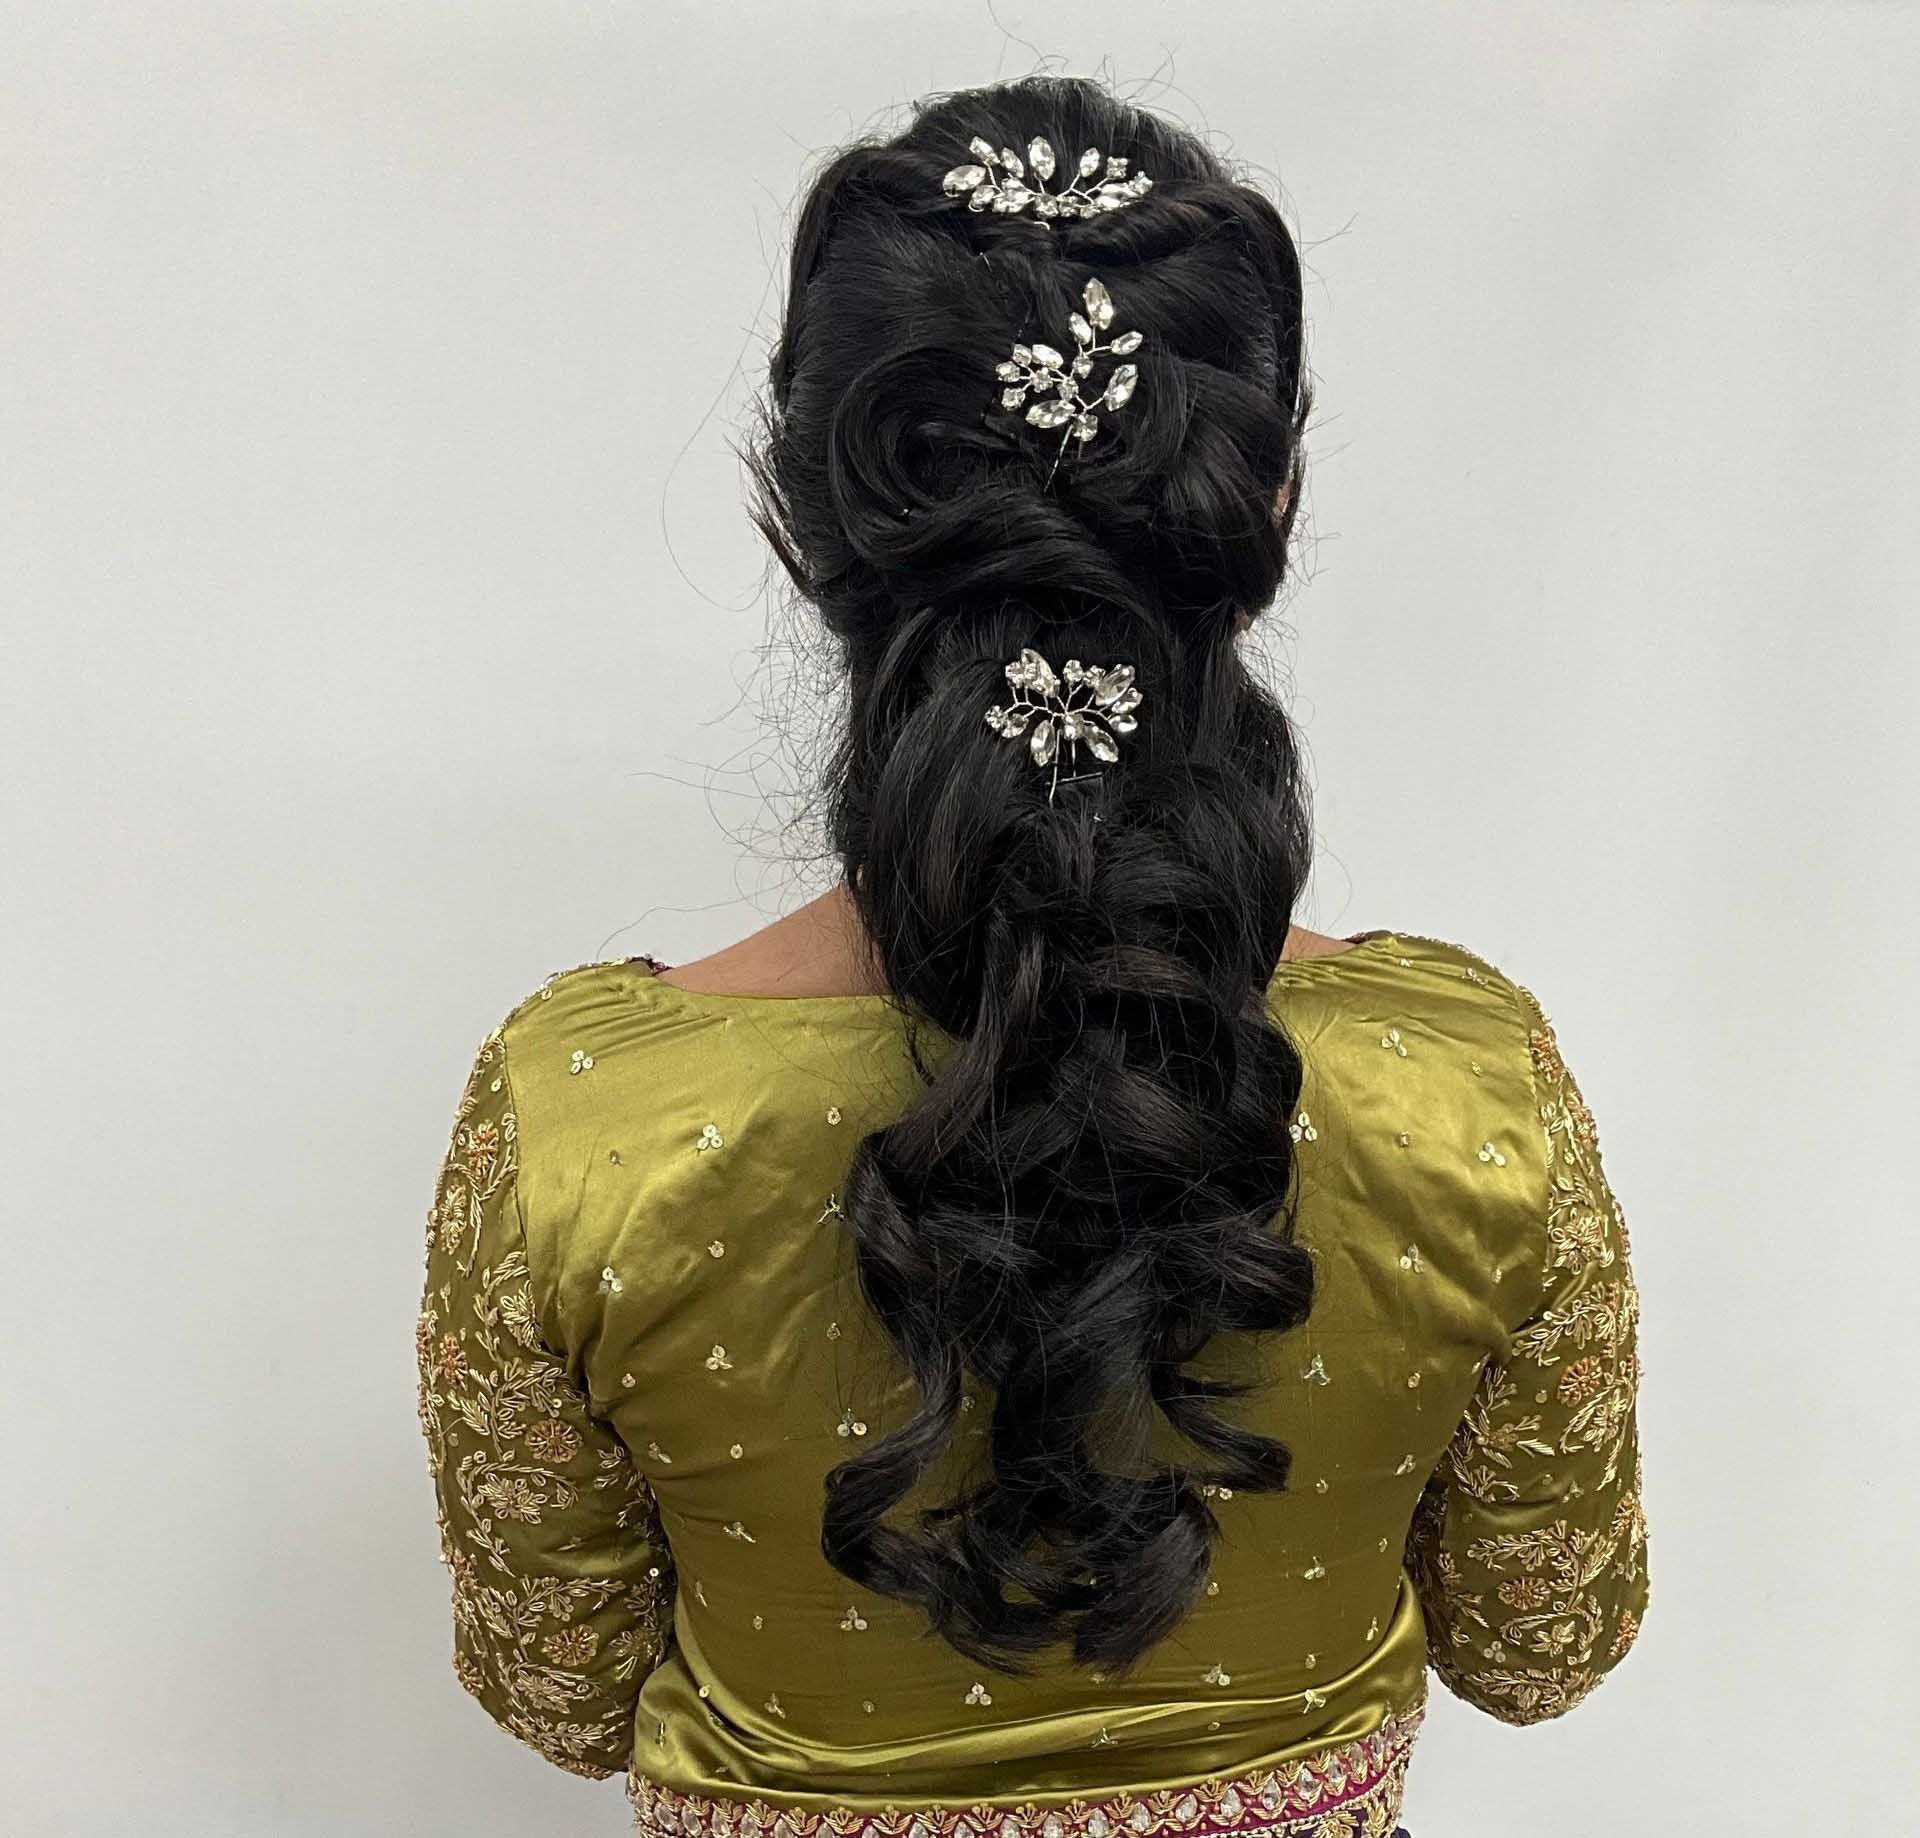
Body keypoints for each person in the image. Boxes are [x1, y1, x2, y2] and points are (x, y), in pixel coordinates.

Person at [415, 74, 1646, 1838]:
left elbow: (560, 1684)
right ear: (1266, 501)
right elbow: (1543, 1642)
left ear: (805, 513)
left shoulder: (582, 1132)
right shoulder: (1469, 1098)